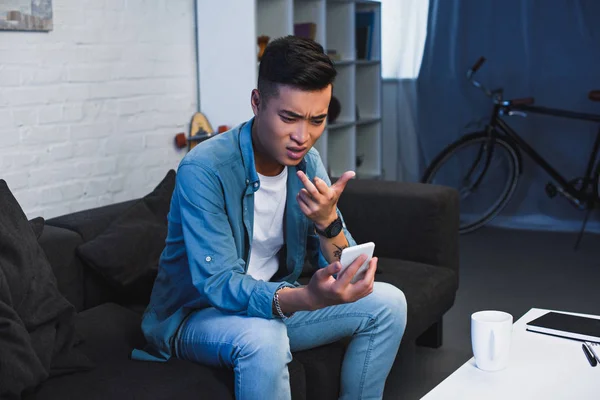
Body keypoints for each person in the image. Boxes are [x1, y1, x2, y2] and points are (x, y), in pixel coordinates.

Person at [132, 35, 407, 399]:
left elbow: (345, 261)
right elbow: (217, 284)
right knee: (265, 337)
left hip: (273, 305)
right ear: (257, 102)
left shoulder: (306, 163)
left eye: (317, 120)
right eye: (289, 117)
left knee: (389, 304)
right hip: (197, 316)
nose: (302, 136)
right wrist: (306, 298)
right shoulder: (204, 169)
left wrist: (329, 222)